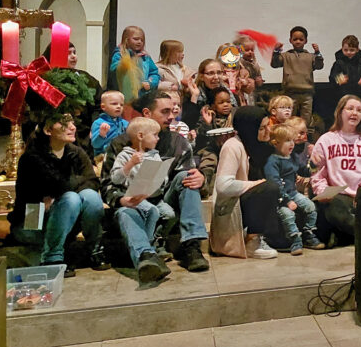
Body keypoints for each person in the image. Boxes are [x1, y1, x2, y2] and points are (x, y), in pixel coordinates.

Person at [100, 91, 210, 272]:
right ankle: (146, 256)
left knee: (188, 177)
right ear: (146, 113)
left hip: (163, 199)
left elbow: (189, 176)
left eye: (174, 111)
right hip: (132, 202)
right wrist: (122, 200)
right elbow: (107, 184)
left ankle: (191, 246)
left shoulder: (177, 141)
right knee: (125, 212)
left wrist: (201, 178)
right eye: (165, 112)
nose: (171, 116)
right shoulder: (120, 144)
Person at [10, 113, 108, 278]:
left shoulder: (76, 152)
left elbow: (91, 181)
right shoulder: (32, 157)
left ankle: (95, 249)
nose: (72, 127)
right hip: (33, 219)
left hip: (66, 217)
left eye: (72, 122)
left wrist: (60, 193)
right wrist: (67, 188)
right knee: (71, 198)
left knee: (90, 196)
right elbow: (55, 184)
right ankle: (52, 258)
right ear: (48, 130)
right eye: (64, 123)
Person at [310, 95, 361, 246]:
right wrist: (322, 191)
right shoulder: (326, 140)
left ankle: (351, 235)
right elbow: (317, 173)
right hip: (339, 195)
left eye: (359, 110)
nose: (355, 113)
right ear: (340, 112)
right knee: (335, 209)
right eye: (350, 108)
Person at [213, 105, 283, 258]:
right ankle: (252, 241)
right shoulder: (232, 146)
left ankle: (264, 236)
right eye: (262, 128)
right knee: (269, 188)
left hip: (248, 202)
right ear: (250, 129)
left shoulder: (259, 147)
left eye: (268, 126)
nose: (268, 131)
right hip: (233, 205)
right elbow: (223, 186)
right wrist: (255, 185)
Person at [108, 117, 172, 283]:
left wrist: (160, 179)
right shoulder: (125, 155)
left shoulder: (154, 155)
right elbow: (115, 178)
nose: (158, 138)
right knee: (152, 211)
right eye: (155, 135)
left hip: (152, 195)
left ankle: (152, 244)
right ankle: (149, 248)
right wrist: (130, 164)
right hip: (133, 196)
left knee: (168, 214)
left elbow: (163, 179)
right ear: (141, 136)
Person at [264, 125, 322, 255]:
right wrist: (286, 200)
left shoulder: (293, 157)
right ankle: (295, 240)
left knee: (310, 207)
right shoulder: (272, 161)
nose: (291, 144)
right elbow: (275, 183)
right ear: (275, 143)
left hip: (293, 193)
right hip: (280, 198)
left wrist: (313, 165)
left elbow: (304, 171)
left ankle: (308, 233)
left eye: (292, 140)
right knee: (288, 215)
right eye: (287, 140)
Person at [271, 25, 324, 125]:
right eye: (295, 39)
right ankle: (289, 137)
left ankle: (304, 137)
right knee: (289, 119)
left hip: (307, 94)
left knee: (306, 120)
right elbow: (275, 64)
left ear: (306, 41)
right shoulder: (286, 55)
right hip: (290, 93)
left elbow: (319, 66)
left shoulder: (310, 56)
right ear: (290, 40)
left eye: (301, 39)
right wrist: (276, 51)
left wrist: (317, 53)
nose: (298, 41)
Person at [110, 25, 160, 102]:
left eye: (142, 40)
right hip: (124, 97)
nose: (139, 42)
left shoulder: (145, 57)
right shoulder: (120, 54)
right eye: (136, 39)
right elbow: (114, 69)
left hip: (143, 97)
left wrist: (150, 83)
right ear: (126, 40)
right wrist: (125, 64)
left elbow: (154, 73)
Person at [183, 58, 236, 128]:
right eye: (211, 73)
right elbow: (188, 125)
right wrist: (194, 97)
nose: (216, 77)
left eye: (219, 72)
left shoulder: (229, 94)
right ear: (201, 76)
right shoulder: (191, 95)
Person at [329, 34, 361, 106]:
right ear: (342, 49)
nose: (348, 52)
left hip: (360, 97)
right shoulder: (338, 63)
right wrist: (338, 79)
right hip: (343, 98)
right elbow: (332, 77)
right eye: (346, 50)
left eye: (352, 50)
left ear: (357, 49)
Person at [90, 91, 129, 157]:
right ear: (103, 107)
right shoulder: (98, 123)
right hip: (103, 155)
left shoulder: (124, 123)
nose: (119, 106)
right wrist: (101, 135)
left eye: (121, 104)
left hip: (121, 154)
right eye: (114, 104)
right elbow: (95, 145)